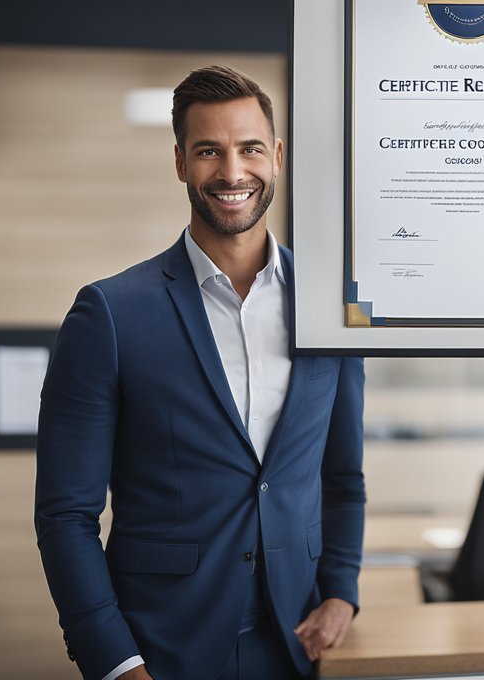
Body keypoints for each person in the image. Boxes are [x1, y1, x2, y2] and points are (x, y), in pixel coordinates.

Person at [35, 65, 365, 680]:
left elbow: (341, 474)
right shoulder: (109, 314)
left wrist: (342, 587)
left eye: (250, 149)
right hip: (162, 648)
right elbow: (65, 515)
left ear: (278, 157)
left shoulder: (335, 304)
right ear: (181, 163)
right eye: (208, 151)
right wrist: (115, 662)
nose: (233, 172)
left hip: (295, 643)